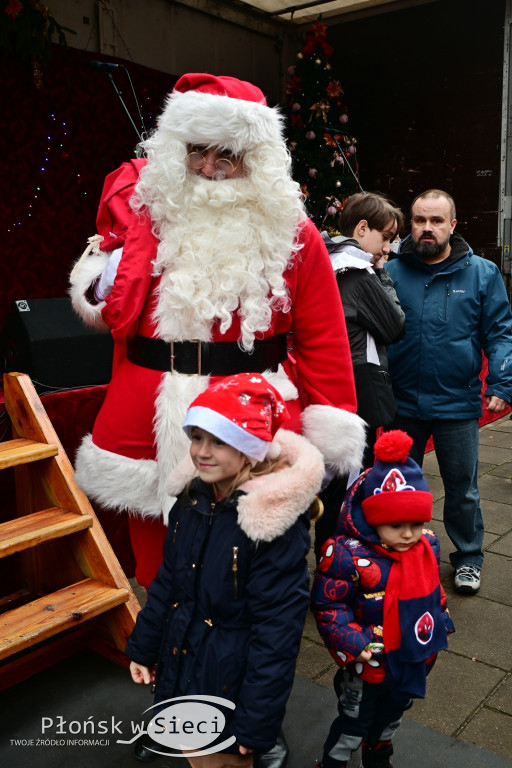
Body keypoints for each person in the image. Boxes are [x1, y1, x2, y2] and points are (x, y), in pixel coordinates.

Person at [69, 72, 366, 590]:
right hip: (149, 404)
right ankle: (165, 640)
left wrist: (332, 419)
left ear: (255, 159)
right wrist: (102, 281)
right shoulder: (148, 216)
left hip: (252, 405)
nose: (208, 168)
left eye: (225, 155)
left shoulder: (292, 232)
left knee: (251, 545)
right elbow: (107, 308)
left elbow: (322, 336)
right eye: (196, 151)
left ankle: (243, 644)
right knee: (157, 547)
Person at [125, 372, 326, 767]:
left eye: (219, 440)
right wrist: (145, 647)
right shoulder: (194, 498)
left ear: (250, 449)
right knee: (194, 755)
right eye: (197, 437)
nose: (202, 451)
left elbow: (277, 633)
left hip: (230, 678)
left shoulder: (269, 527)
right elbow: (168, 583)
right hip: (186, 659)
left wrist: (256, 722)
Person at [386, 189, 512, 595]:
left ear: (452, 225)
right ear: (411, 223)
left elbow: (499, 333)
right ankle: (396, 556)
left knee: (463, 490)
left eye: (436, 221)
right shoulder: (389, 271)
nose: (427, 228)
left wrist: (502, 383)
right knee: (398, 485)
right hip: (401, 401)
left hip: (456, 402)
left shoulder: (483, 273)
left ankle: (469, 558)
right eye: (420, 220)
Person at [311, 430, 454, 768]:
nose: (409, 534)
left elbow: (434, 592)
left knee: (392, 717)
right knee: (353, 722)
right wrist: (352, 641)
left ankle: (378, 753)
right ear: (372, 519)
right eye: (397, 525)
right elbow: (330, 604)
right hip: (367, 661)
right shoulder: (345, 554)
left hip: (412, 658)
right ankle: (333, 762)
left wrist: (440, 625)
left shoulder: (426, 546)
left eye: (416, 523)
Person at [314, 193, 405, 563]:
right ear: (362, 228)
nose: (388, 248)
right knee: (347, 485)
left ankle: (321, 563)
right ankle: (336, 568)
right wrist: (381, 271)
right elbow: (395, 324)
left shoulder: (324, 261)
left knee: (325, 484)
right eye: (385, 237)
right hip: (356, 390)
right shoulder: (359, 272)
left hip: (324, 385)